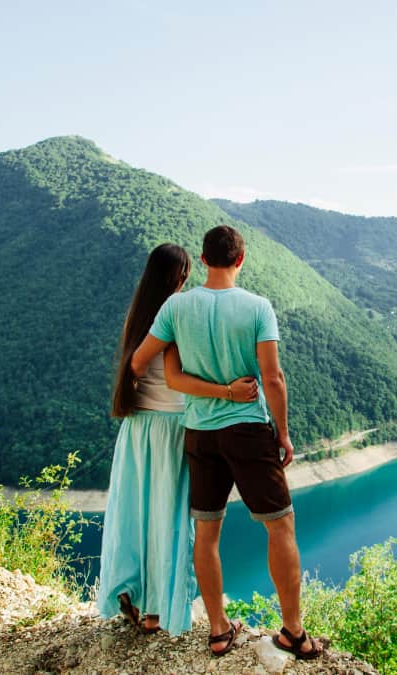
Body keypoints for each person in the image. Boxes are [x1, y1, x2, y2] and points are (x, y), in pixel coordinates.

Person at [132, 225, 324, 659]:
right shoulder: (257, 307)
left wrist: (186, 368)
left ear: (203, 260)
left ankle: (219, 629)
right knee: (280, 526)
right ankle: (293, 631)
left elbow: (141, 361)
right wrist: (284, 432)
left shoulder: (176, 307)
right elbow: (272, 377)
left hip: (199, 432)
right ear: (241, 260)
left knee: (207, 530)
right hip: (248, 431)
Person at [98, 242, 258, 636]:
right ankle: (157, 612)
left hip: (138, 428)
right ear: (182, 276)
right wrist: (228, 392)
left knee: (137, 515)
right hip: (171, 428)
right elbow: (174, 378)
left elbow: (134, 366)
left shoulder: (137, 316)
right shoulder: (176, 314)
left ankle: (136, 596)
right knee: (170, 519)